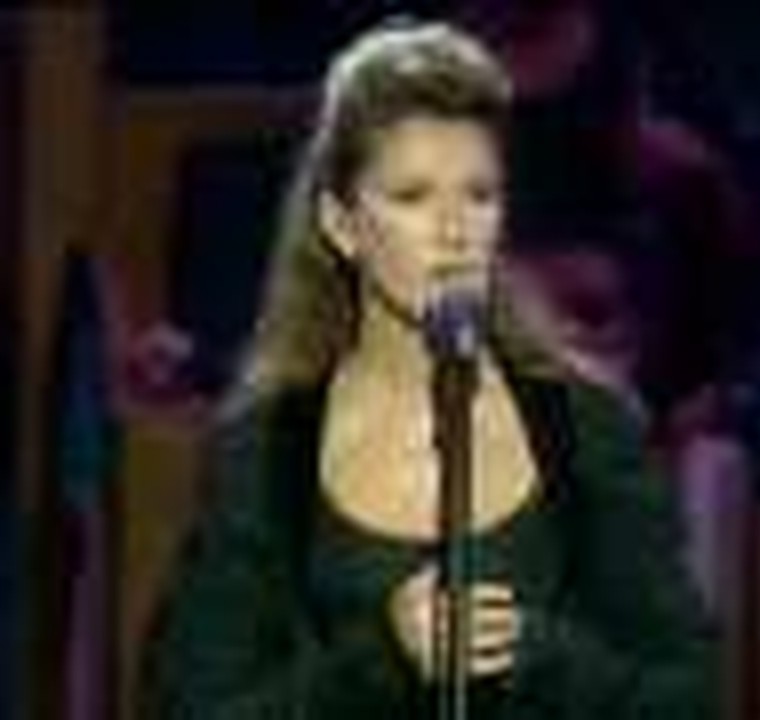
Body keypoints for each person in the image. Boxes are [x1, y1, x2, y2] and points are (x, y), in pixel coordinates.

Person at [139, 19, 717, 719]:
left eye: (478, 195)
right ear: (343, 223)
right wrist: (380, 659)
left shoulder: (591, 434)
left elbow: (686, 697)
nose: (454, 230)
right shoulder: (270, 453)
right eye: (412, 196)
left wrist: (537, 653)